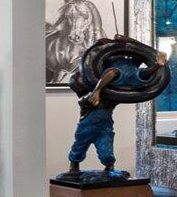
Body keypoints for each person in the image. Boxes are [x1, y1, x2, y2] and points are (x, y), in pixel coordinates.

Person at [61, 48, 168, 181]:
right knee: (79, 147)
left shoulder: (109, 94)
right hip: (86, 128)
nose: (82, 77)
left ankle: (109, 168)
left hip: (105, 128)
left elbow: (122, 93)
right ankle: (74, 166)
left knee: (106, 151)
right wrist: (97, 92)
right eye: (79, 78)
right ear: (78, 85)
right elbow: (100, 93)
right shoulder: (85, 98)